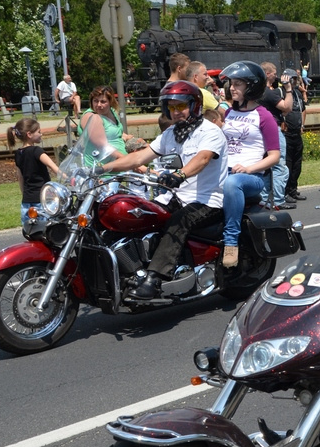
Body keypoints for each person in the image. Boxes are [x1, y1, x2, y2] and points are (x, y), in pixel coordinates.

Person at [95, 81, 229, 297]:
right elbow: (139, 156)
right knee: (141, 213)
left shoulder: (210, 131)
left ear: (194, 105)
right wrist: (101, 169)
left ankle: (156, 278)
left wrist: (180, 175)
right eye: (171, 107)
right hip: (176, 197)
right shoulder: (171, 134)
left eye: (180, 106)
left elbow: (202, 159)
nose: (175, 112)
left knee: (179, 221)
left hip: (207, 199)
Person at [219, 60, 283, 268]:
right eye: (231, 83)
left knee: (233, 183)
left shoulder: (264, 116)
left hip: (252, 178)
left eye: (238, 84)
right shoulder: (229, 113)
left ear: (252, 86)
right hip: (225, 173)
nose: (232, 88)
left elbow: (274, 156)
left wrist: (248, 168)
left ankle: (231, 242)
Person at [8, 119, 59, 225]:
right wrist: (69, 178)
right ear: (29, 134)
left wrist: (25, 194)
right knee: (48, 232)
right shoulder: (37, 151)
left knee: (31, 232)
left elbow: (20, 177)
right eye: (39, 132)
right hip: (42, 201)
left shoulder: (18, 153)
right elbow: (53, 167)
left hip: (26, 202)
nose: (41, 134)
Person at [258, 61, 294, 209]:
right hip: (274, 130)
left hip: (261, 132)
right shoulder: (269, 93)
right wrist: (288, 89)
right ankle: (279, 200)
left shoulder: (257, 92)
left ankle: (264, 200)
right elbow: (287, 107)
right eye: (274, 72)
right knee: (279, 166)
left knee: (265, 168)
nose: (276, 75)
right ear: (267, 74)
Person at [78, 86, 146, 155]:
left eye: (103, 101)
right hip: (102, 162)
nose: (98, 104)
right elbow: (101, 146)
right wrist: (127, 160)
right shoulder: (90, 116)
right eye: (95, 101)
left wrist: (127, 137)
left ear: (110, 102)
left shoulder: (112, 112)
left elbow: (115, 132)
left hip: (122, 160)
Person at [282, 68, 307, 202]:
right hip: (286, 134)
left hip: (297, 133)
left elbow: (303, 110)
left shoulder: (297, 93)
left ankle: (293, 189)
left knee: (297, 164)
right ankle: (285, 191)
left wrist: (302, 125)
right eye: (295, 79)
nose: (297, 81)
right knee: (288, 164)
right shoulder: (282, 93)